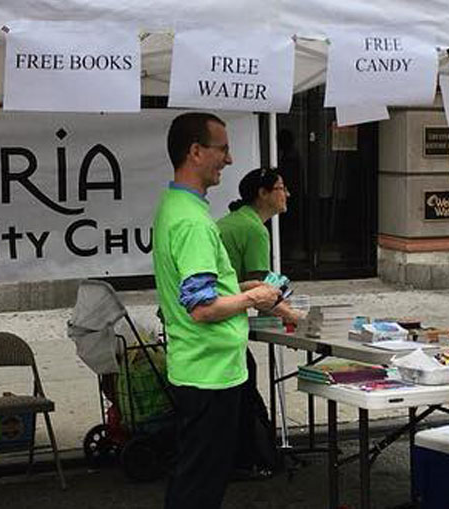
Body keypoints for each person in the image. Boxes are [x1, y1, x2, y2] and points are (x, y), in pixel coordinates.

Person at [152, 113, 281, 509]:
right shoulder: (192, 222)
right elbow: (202, 307)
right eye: (222, 149)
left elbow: (199, 289)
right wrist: (252, 299)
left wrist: (241, 287)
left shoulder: (177, 207)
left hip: (199, 368)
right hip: (209, 372)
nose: (228, 159)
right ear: (195, 152)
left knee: (196, 475)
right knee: (201, 483)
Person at [216, 167, 304, 479]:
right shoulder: (253, 229)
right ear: (263, 194)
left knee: (242, 383)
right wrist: (294, 316)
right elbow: (259, 290)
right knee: (242, 385)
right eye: (281, 188)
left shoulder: (239, 222)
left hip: (215, 318)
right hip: (214, 324)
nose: (287, 194)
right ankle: (244, 457)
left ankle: (245, 454)